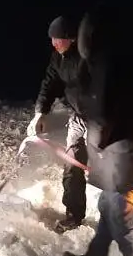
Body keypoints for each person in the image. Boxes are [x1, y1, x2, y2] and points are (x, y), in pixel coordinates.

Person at [62, 5, 133, 256]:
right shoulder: (121, 61)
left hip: (124, 161)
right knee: (108, 209)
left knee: (123, 224)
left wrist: (92, 140)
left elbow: (101, 116)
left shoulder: (107, 66)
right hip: (126, 158)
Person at [27, 15, 90, 231]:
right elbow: (49, 83)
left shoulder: (89, 57)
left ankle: (121, 221)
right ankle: (74, 215)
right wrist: (40, 112)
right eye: (51, 39)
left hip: (101, 119)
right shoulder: (58, 58)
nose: (53, 43)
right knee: (72, 165)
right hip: (79, 119)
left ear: (71, 38)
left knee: (107, 172)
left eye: (57, 39)